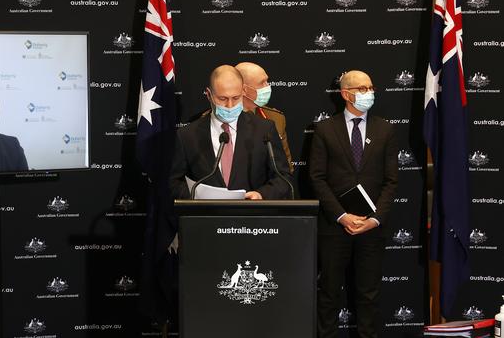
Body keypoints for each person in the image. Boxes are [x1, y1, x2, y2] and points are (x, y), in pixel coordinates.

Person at [309, 70, 398, 338]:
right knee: (328, 294)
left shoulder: (386, 129)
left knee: (368, 295)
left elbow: (391, 181)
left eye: (371, 87)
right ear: (345, 94)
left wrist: (374, 219)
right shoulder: (325, 130)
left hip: (372, 228)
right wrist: (341, 216)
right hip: (335, 227)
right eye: (362, 88)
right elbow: (317, 177)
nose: (369, 92)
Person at [170, 65, 292, 200]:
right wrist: (197, 199)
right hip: (206, 217)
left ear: (243, 91)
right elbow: (173, 182)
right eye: (222, 99)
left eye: (235, 98)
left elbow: (282, 178)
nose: (230, 105)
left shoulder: (264, 130)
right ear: (209, 95)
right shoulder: (187, 135)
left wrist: (261, 195)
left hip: (251, 216)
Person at [235, 62, 294, 174]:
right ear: (243, 89)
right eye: (262, 83)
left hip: (268, 189)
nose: (268, 87)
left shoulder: (276, 118)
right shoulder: (220, 119)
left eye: (267, 81)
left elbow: (286, 167)